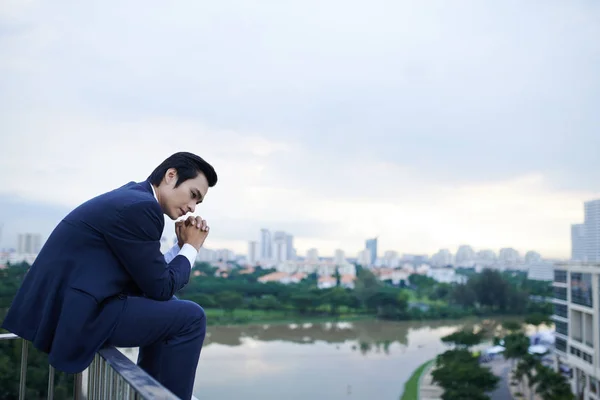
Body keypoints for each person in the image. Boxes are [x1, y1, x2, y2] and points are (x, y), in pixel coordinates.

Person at [1, 151, 218, 400]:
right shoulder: (142, 208)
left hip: (72, 307)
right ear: (171, 176)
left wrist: (180, 247)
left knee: (173, 308)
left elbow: (150, 277)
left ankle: (153, 393)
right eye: (193, 195)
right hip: (80, 314)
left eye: (198, 203)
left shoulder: (134, 198)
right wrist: (191, 247)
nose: (192, 207)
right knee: (191, 317)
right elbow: (160, 287)